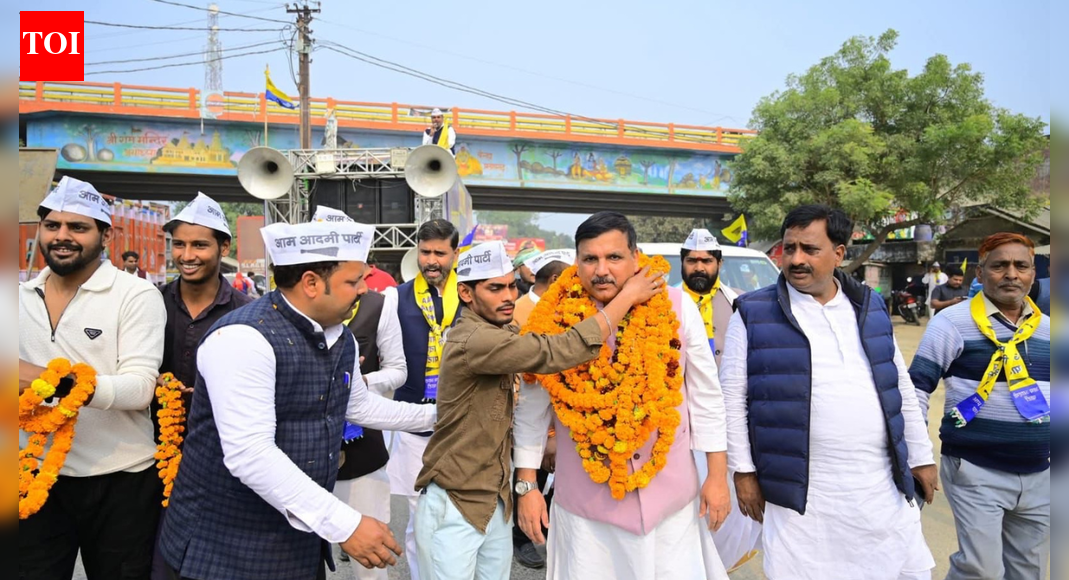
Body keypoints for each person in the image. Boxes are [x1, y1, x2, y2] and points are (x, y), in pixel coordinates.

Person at [159, 218, 438, 580]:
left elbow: (359, 406)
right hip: (225, 544)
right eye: (353, 282)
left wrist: (439, 417)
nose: (363, 292)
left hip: (298, 536)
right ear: (310, 283)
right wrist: (346, 524)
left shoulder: (341, 337)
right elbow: (250, 454)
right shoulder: (243, 339)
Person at [414, 241, 665, 580]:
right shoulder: (475, 340)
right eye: (494, 288)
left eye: (510, 286)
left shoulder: (499, 330)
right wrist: (626, 297)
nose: (507, 296)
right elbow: (556, 350)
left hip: (495, 500)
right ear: (466, 294)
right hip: (455, 503)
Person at [721, 205, 937, 580]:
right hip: (802, 495)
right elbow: (732, 399)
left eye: (809, 249)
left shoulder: (868, 306)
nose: (796, 259)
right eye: (789, 249)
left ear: (839, 253)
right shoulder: (753, 312)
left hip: (877, 486)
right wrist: (743, 473)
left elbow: (897, 384)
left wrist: (920, 455)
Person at [515, 211, 732, 580]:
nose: (602, 270)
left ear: (635, 257)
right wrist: (527, 486)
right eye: (590, 259)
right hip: (586, 512)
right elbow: (532, 410)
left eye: (614, 257)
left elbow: (706, 398)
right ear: (576, 264)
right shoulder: (552, 322)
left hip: (671, 506)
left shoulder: (679, 308)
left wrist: (717, 476)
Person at [19, 176, 168, 580]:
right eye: (52, 226)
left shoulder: (135, 295)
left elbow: (139, 389)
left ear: (106, 234)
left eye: (78, 227)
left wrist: (44, 379)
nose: (62, 236)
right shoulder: (17, 296)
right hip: (33, 475)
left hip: (121, 480)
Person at [909, 233, 1050, 580]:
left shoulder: (1050, 330)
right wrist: (919, 456)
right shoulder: (952, 323)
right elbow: (915, 390)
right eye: (999, 266)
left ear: (1033, 274)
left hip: (1041, 472)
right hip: (975, 467)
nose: (1011, 274)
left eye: (1021, 266)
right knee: (981, 570)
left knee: (1028, 570)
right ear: (980, 272)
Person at [151, 193, 254, 578]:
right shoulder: (149, 302)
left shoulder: (246, 311)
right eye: (179, 244)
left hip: (219, 457)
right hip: (149, 453)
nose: (187, 254)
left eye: (199, 245)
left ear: (223, 248)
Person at [312, 206, 409, 580]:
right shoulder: (289, 299)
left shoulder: (379, 304)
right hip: (302, 449)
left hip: (361, 446)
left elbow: (398, 371)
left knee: (371, 558)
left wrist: (359, 382)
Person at [384, 219, 462, 580]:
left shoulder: (470, 295)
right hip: (415, 422)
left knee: (460, 514)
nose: (431, 260)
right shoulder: (394, 298)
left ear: (454, 253)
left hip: (463, 423)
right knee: (419, 516)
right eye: (425, 251)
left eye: (439, 253)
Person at [509, 248, 574, 569]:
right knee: (528, 480)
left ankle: (545, 537)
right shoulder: (521, 311)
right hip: (532, 422)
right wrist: (548, 435)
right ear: (554, 280)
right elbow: (526, 381)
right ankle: (524, 539)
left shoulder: (569, 308)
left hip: (563, 422)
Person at [678, 228, 738, 367]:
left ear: (719, 264)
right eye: (692, 261)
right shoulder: (668, 303)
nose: (699, 268)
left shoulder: (738, 301)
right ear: (682, 262)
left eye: (707, 261)